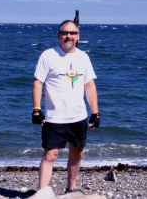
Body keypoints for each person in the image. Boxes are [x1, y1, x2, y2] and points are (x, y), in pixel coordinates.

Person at [32, 20, 100, 193]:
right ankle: (42, 193)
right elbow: (38, 83)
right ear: (59, 35)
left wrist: (95, 113)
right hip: (55, 117)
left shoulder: (83, 57)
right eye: (65, 33)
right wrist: (36, 109)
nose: (68, 36)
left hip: (78, 116)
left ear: (78, 36)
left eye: (72, 33)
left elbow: (89, 85)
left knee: (77, 152)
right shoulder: (48, 55)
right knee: (50, 154)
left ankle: (71, 189)